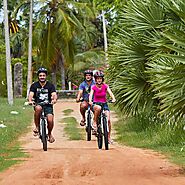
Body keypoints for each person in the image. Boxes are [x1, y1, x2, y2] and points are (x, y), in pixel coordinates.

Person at [28, 67, 57, 143]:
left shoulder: (50, 85)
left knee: (50, 120)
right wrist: (30, 101)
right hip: (38, 104)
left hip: (48, 105)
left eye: (43, 75)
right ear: (38, 76)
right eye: (40, 75)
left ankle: (50, 134)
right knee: (38, 109)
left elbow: (54, 94)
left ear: (46, 76)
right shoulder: (34, 85)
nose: (42, 77)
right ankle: (37, 127)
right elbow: (31, 94)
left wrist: (54, 100)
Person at [89, 70, 116, 143]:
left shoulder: (105, 86)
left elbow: (110, 93)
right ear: (95, 79)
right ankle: (94, 122)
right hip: (96, 104)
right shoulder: (93, 87)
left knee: (109, 120)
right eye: (97, 78)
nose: (99, 80)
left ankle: (109, 137)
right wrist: (90, 101)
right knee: (98, 108)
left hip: (104, 104)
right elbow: (91, 94)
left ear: (102, 79)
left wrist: (113, 98)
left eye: (100, 78)